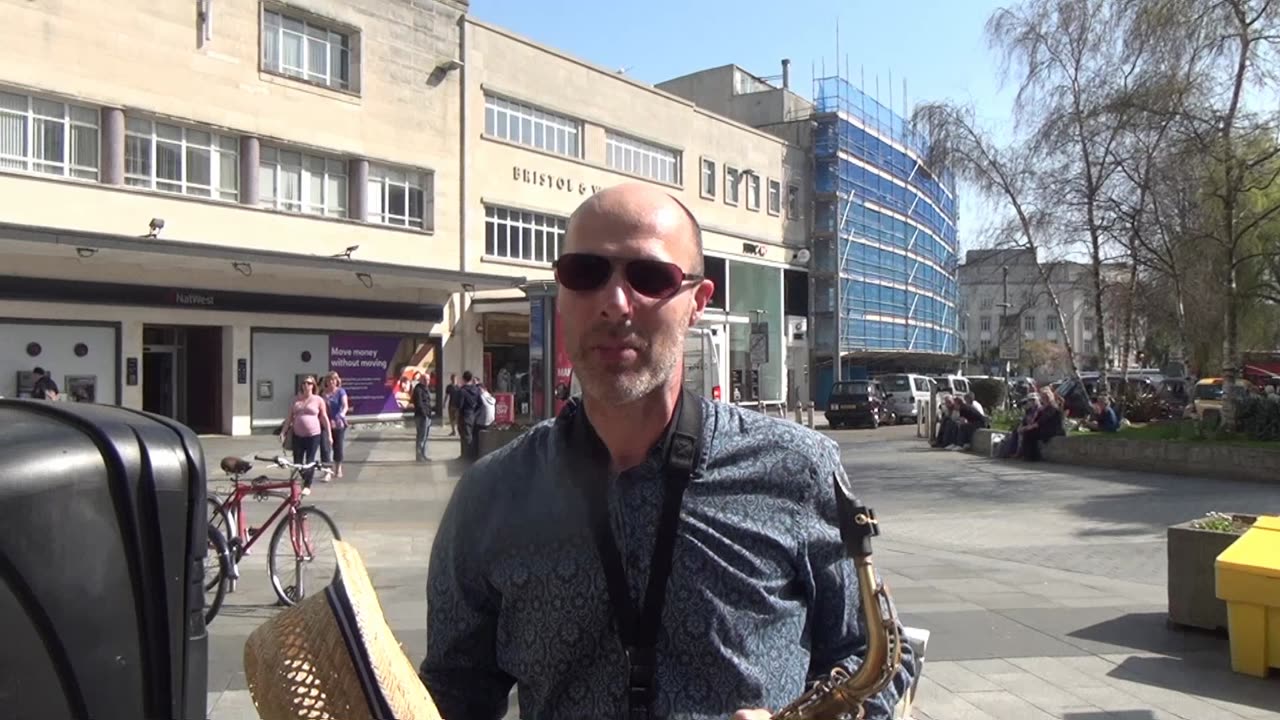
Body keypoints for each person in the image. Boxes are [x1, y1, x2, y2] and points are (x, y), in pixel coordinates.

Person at [420, 183, 916, 720]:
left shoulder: (797, 468)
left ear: (697, 303)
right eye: (586, 274)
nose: (613, 303)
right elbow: (454, 690)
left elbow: (873, 657)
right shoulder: (490, 494)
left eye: (649, 278)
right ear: (561, 291)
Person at [280, 375, 331, 494]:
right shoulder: (296, 400)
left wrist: (329, 435)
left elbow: (324, 417)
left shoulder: (318, 400)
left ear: (313, 385)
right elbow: (289, 418)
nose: (306, 385)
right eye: (304, 383)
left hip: (313, 435)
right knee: (297, 462)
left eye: (309, 383)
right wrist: (283, 432)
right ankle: (304, 478)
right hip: (298, 435)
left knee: (310, 460)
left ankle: (307, 485)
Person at [320, 372, 349, 478]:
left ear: (337, 381)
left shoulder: (341, 392)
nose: (331, 382)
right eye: (329, 380)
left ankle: (338, 468)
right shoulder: (323, 393)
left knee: (338, 446)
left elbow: (345, 406)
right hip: (325, 423)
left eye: (334, 380)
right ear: (326, 382)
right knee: (325, 447)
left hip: (338, 422)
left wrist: (341, 414)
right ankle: (327, 471)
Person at [453, 370, 483, 461]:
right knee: (470, 435)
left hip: (464, 415)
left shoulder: (462, 391)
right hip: (472, 415)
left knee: (464, 436)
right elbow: (480, 403)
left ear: (463, 379)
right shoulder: (476, 390)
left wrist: (457, 413)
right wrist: (475, 412)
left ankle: (466, 456)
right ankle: (467, 455)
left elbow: (459, 405)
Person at [410, 372, 434, 462]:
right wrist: (424, 414)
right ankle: (419, 456)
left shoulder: (425, 389)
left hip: (427, 415)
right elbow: (419, 403)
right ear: (421, 380)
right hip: (421, 416)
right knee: (421, 437)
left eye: (428, 379)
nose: (427, 381)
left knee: (425, 437)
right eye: (425, 379)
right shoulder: (418, 389)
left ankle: (423, 455)